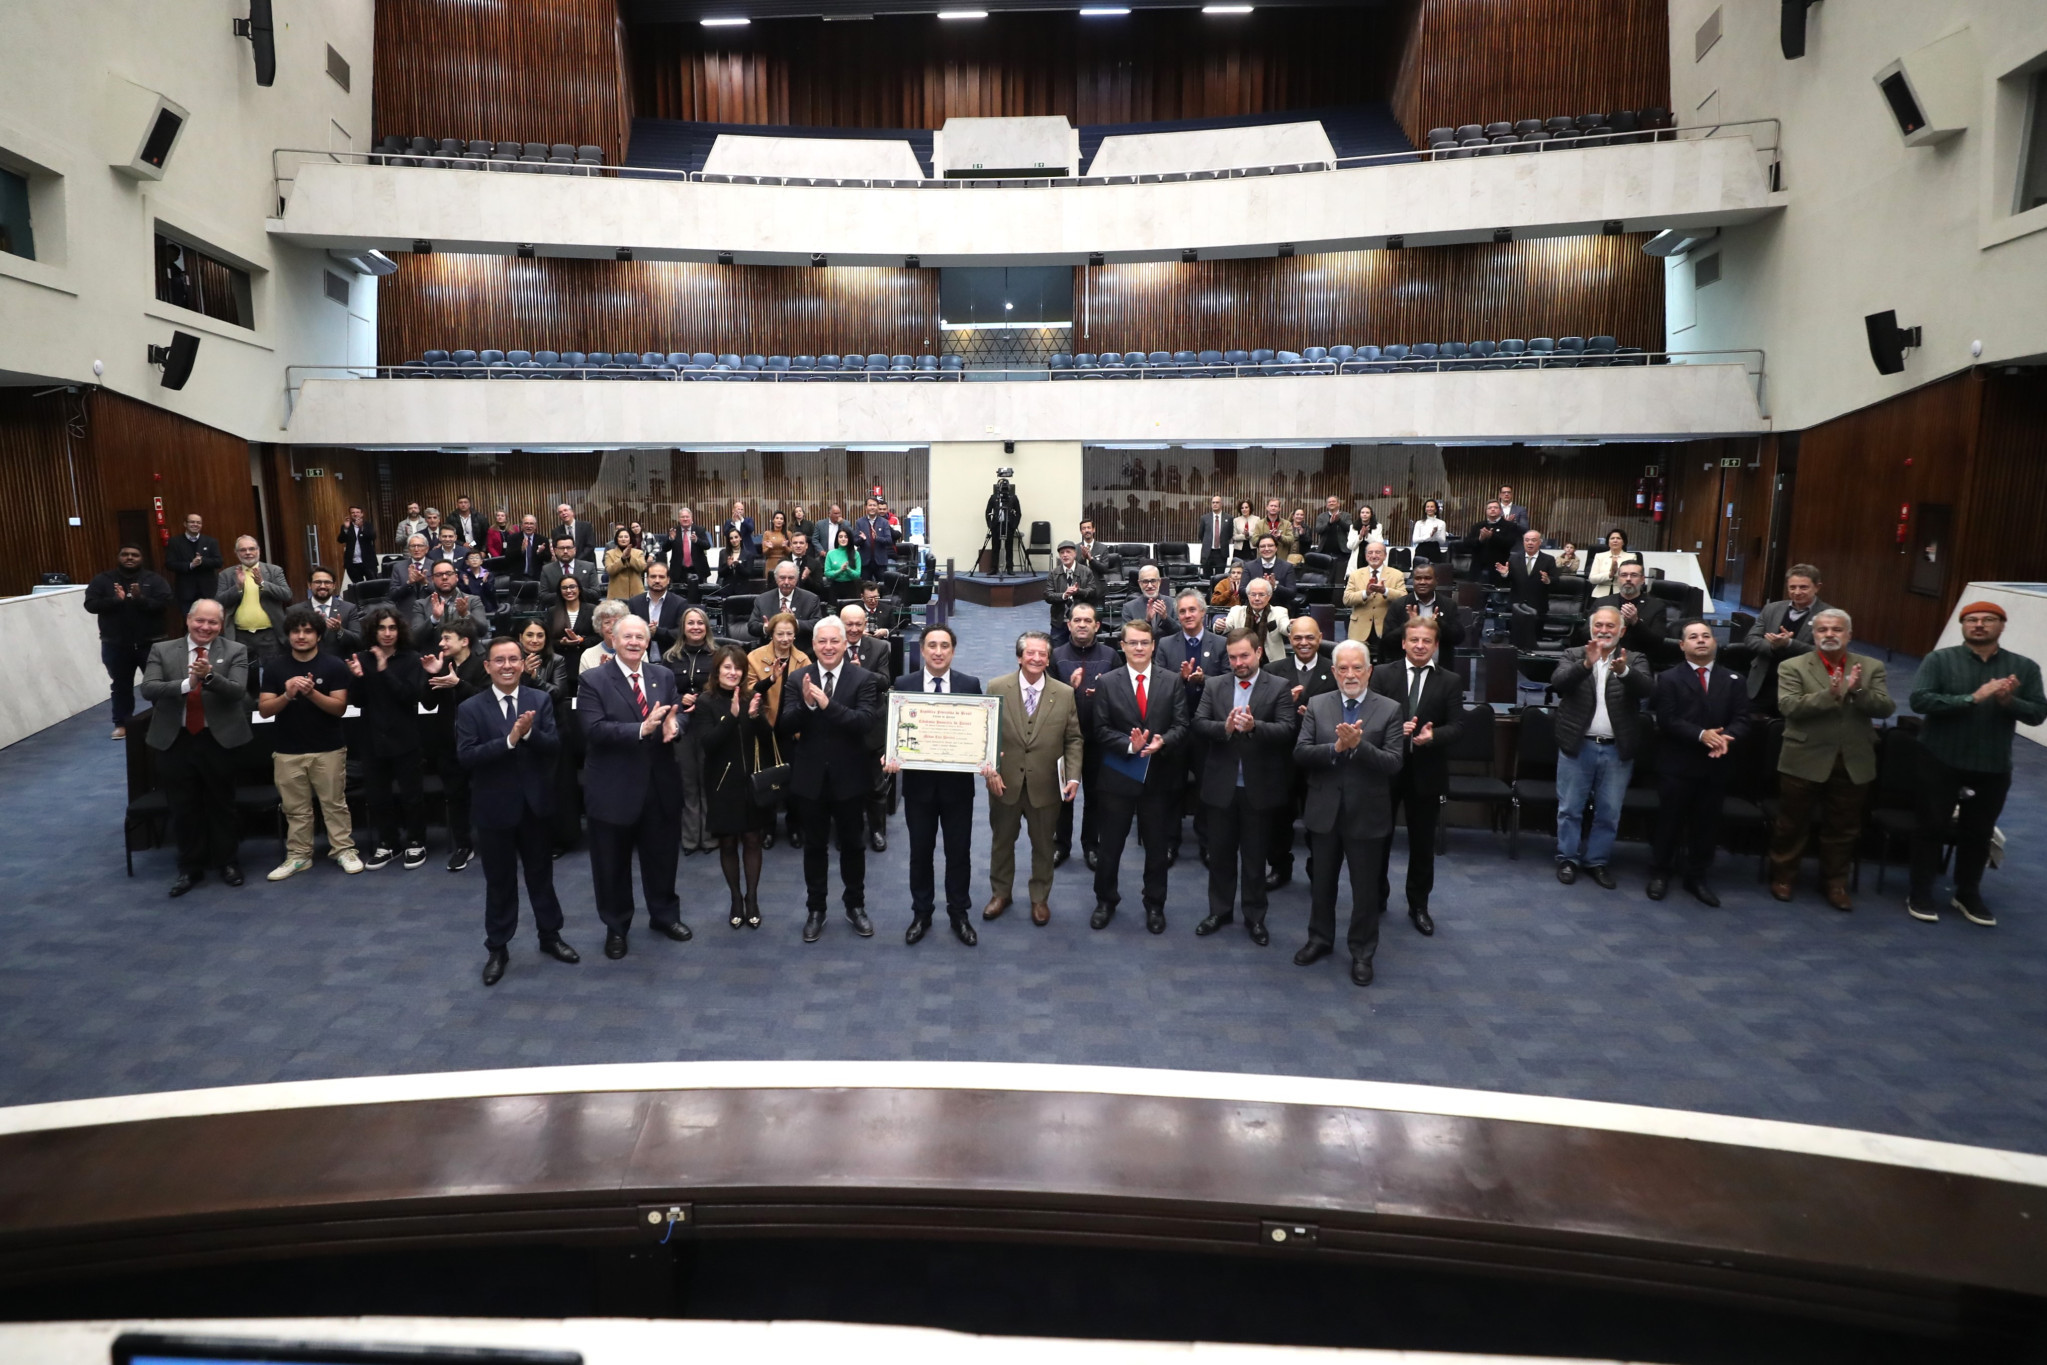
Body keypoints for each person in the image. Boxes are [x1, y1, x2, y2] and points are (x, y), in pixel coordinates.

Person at [1906, 601, 2047, 925]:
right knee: (1930, 827)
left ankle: (1967, 893)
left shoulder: (2023, 667)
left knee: (1978, 833)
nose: (1979, 624)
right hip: (1941, 758)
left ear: (2002, 625)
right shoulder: (1940, 660)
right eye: (1971, 620)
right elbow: (1921, 699)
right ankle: (1920, 891)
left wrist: (2008, 701)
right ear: (1963, 625)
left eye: (1988, 620)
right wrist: (1972, 698)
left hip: (1993, 764)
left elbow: (2038, 713)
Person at [459, 635, 578, 986]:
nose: (508, 666)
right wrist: (509, 740)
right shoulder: (470, 708)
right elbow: (467, 757)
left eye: (514, 659)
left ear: (523, 664)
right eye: (500, 660)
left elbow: (554, 746)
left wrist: (527, 736)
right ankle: (498, 947)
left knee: (541, 877)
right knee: (499, 882)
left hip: (535, 807)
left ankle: (550, 936)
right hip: (494, 809)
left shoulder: (539, 700)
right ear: (488, 666)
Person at [1293, 639, 1406, 986]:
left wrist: (1360, 748)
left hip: (1366, 814)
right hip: (1325, 811)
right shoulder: (1317, 704)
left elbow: (1394, 763)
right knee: (1322, 883)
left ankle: (1362, 951)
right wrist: (1335, 748)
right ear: (1334, 672)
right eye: (1343, 668)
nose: (1350, 674)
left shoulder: (1389, 709)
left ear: (1369, 671)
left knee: (1364, 890)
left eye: (1357, 667)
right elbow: (1301, 753)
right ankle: (1320, 939)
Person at [578, 615, 692, 958]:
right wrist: (641, 730)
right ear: (612, 639)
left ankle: (664, 915)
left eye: (640, 637)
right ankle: (616, 927)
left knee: (662, 859)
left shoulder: (663, 675)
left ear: (647, 642)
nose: (633, 642)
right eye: (626, 636)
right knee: (611, 865)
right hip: (613, 789)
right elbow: (593, 729)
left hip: (659, 786)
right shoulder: (592, 680)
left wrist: (676, 725)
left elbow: (678, 712)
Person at [1767, 608, 1893, 909]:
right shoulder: (1793, 666)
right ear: (1814, 634)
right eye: (1823, 630)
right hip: (1804, 756)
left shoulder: (1871, 666)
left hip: (1852, 759)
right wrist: (1831, 695)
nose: (1829, 635)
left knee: (1844, 827)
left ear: (1848, 634)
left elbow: (1885, 708)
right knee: (1791, 824)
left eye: (1836, 630)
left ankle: (1835, 883)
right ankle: (1783, 876)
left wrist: (1858, 690)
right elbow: (1788, 707)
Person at [778, 616, 886, 942]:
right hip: (810, 779)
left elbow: (864, 722)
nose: (827, 647)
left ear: (844, 644)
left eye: (834, 641)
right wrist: (807, 707)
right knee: (814, 847)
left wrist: (827, 705)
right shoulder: (798, 678)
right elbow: (783, 725)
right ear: (813, 645)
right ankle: (816, 909)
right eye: (821, 642)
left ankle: (855, 905)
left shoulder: (864, 678)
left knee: (853, 845)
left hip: (850, 779)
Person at [1191, 628, 1300, 945]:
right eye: (1233, 657)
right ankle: (1220, 911)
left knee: (1254, 859)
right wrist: (1223, 728)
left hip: (1259, 788)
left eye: (1244, 656)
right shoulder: (1214, 685)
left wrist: (1255, 728)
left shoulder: (1278, 687)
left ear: (1258, 653)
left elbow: (1287, 730)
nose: (1238, 662)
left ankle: (1255, 917)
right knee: (1220, 855)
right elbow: (1198, 723)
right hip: (1221, 786)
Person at [140, 599, 252, 896]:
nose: (206, 627)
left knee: (222, 804)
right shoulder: (162, 650)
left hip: (219, 740)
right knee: (183, 807)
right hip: (175, 740)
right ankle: (190, 867)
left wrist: (210, 678)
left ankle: (227, 862)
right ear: (188, 620)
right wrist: (188, 684)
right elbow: (148, 688)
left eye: (213, 622)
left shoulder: (235, 651)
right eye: (200, 621)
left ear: (222, 623)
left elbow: (238, 692)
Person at [1088, 618, 1188, 933]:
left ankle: (1155, 904)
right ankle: (1106, 900)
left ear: (1154, 645)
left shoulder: (1172, 681)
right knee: (1110, 846)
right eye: (1133, 643)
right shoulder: (1107, 682)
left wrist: (1163, 741)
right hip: (1118, 778)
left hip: (1158, 779)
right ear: (1123, 645)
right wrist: (1127, 746)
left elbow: (1182, 726)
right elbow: (1100, 730)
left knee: (1157, 848)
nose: (1139, 648)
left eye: (1145, 642)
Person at [980, 631, 1083, 928]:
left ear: (1048, 659)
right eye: (1031, 653)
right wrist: (990, 770)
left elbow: (1074, 739)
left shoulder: (1064, 693)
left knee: (1043, 846)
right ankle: (1001, 893)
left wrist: (1073, 776)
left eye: (1042, 654)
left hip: (1047, 786)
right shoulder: (996, 687)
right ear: (1019, 657)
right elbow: (985, 735)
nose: (1037, 658)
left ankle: (1040, 898)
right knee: (1002, 843)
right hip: (1004, 783)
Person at [888, 626, 982, 946]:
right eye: (932, 646)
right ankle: (922, 912)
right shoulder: (904, 685)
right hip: (919, 789)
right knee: (920, 853)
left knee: (959, 853)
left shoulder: (970, 685)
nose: (938, 651)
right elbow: (895, 732)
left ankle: (959, 913)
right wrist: (892, 755)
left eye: (945, 646)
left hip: (958, 789)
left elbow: (979, 731)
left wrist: (983, 755)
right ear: (923, 651)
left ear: (953, 651)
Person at [1647, 620, 1752, 907]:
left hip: (1715, 764)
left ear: (1715, 643)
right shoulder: (1668, 679)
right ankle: (1660, 872)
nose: (1701, 641)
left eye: (1706, 636)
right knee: (1669, 822)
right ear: (1683, 645)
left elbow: (1743, 719)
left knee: (1706, 825)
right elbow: (1666, 720)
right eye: (1693, 637)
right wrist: (1701, 735)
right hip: (1677, 764)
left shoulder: (1734, 680)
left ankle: (1697, 876)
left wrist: (1726, 739)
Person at [1368, 616, 1462, 933]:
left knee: (1422, 845)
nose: (1420, 646)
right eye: (1414, 640)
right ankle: (1375, 897)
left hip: (1427, 771)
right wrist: (1395, 730)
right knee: (1378, 839)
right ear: (1404, 643)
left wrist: (1433, 737)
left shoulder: (1449, 680)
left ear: (1435, 646)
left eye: (1426, 641)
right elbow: (1368, 720)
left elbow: (1458, 727)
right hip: (1386, 770)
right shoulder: (1381, 674)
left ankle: (1418, 905)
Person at [1551, 606, 1653, 889]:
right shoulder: (1574, 654)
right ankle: (1567, 859)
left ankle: (1597, 861)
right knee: (1570, 808)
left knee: (1608, 812)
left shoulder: (1634, 658)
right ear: (1591, 628)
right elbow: (1558, 683)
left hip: (1616, 749)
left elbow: (1647, 690)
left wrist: (1625, 672)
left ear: (1622, 631)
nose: (1604, 631)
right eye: (1599, 626)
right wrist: (1586, 664)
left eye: (1611, 626)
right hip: (1577, 746)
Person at [255, 607, 360, 882]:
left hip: (328, 748)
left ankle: (343, 850)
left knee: (334, 804)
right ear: (288, 635)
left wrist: (311, 692)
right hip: (287, 749)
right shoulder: (276, 667)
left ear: (318, 635)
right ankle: (299, 856)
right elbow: (265, 710)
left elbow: (339, 708)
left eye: (307, 631)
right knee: (295, 808)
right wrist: (288, 695)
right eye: (295, 631)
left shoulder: (334, 665)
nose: (301, 636)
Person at [348, 605, 429, 870]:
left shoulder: (411, 658)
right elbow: (357, 701)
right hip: (372, 737)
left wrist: (384, 669)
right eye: (382, 628)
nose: (387, 633)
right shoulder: (362, 657)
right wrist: (358, 678)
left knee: (411, 795)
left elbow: (409, 696)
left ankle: (416, 841)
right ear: (374, 630)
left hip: (405, 736)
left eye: (392, 627)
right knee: (378, 795)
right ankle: (388, 843)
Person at [696, 642, 770, 929]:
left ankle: (752, 898)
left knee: (752, 840)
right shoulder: (706, 701)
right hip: (721, 783)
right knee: (727, 843)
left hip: (750, 782)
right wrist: (732, 716)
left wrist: (753, 716)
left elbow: (767, 738)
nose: (733, 672)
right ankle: (735, 898)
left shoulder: (752, 696)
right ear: (717, 670)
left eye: (737, 668)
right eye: (727, 667)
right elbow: (708, 744)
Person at [1263, 615, 1334, 888]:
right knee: (1279, 818)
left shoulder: (1334, 669)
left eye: (1310, 637)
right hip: (1282, 757)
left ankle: (1318, 868)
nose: (1303, 643)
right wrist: (1284, 705)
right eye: (1297, 638)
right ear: (1289, 640)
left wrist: (1314, 719)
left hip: (1318, 759)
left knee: (1317, 819)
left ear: (1319, 638)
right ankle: (1280, 866)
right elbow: (1262, 713)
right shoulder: (1272, 669)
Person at [1158, 588, 1227, 866]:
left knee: (1206, 788)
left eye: (1192, 610)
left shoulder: (1220, 644)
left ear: (1203, 612)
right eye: (1182, 611)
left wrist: (1203, 680)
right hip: (1175, 727)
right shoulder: (1165, 645)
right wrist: (1180, 679)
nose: (1187, 615)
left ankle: (1207, 842)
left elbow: (1227, 683)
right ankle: (1169, 842)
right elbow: (1159, 684)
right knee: (1171, 787)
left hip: (1207, 729)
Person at [1053, 601, 1117, 872]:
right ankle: (1061, 844)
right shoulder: (1055, 656)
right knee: (1062, 795)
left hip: (1098, 737)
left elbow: (1120, 694)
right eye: (1077, 620)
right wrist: (1070, 688)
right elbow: (1048, 699)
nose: (1081, 625)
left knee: (1095, 795)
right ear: (1068, 624)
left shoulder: (1111, 655)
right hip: (1063, 739)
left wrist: (1103, 693)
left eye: (1087, 621)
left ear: (1097, 626)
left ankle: (1091, 845)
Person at [85, 543, 171, 740]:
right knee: (121, 686)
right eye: (125, 554)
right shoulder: (103, 580)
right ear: (119, 557)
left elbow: (165, 604)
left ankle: (165, 720)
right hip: (116, 644)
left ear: (141, 558)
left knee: (157, 684)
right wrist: (115, 601)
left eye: (134, 555)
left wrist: (140, 599)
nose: (130, 558)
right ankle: (122, 724)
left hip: (150, 643)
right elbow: (90, 605)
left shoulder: (153, 580)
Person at [420, 619, 487, 871]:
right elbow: (427, 704)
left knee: (486, 793)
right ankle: (463, 846)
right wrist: (433, 673)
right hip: (449, 744)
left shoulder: (483, 665)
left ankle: (493, 840)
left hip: (480, 743)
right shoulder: (440, 665)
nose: (441, 643)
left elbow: (488, 699)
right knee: (456, 798)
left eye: (447, 638)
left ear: (464, 641)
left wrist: (458, 684)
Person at [662, 605, 720, 858]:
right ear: (682, 628)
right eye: (690, 623)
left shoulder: (718, 655)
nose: (695, 627)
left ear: (707, 626)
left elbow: (726, 688)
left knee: (708, 780)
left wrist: (704, 698)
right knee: (687, 783)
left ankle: (708, 835)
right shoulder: (669, 658)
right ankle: (689, 837)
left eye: (700, 623)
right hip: (682, 725)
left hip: (710, 724)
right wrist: (679, 698)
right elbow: (664, 692)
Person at [1743, 564, 1829, 711]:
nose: (1797, 592)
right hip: (1763, 682)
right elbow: (1750, 639)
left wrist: (1789, 644)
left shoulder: (1830, 615)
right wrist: (1772, 646)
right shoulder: (1772, 609)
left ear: (1817, 587)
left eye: (1803, 587)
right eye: (1792, 587)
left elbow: (1827, 653)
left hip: (1802, 687)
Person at [217, 535, 291, 657]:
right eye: (243, 550)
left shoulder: (274, 571)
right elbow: (220, 602)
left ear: (258, 550)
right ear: (236, 553)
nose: (248, 553)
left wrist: (263, 583)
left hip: (270, 635)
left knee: (271, 673)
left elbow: (286, 595)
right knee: (243, 673)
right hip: (239, 636)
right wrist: (238, 587)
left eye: (252, 549)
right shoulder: (226, 574)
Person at [1382, 562, 1464, 661]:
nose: (1422, 582)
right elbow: (1386, 642)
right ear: (1413, 581)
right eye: (1418, 578)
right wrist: (1407, 625)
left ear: (1436, 581)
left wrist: (1439, 624)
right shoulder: (1398, 605)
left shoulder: (1449, 605)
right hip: (1405, 671)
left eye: (1427, 578)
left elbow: (1459, 638)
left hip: (1439, 670)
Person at [1590, 561, 1669, 654]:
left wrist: (1636, 622)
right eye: (1624, 575)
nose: (1628, 579)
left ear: (1643, 579)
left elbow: (1658, 642)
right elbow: (1584, 634)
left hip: (1639, 659)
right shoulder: (1602, 602)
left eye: (1634, 575)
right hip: (1603, 655)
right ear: (1618, 579)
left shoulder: (1656, 606)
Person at [1342, 541, 1405, 650]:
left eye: (1378, 552)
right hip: (1359, 630)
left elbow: (1404, 598)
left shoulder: (1397, 575)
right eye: (1370, 553)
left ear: (1385, 555)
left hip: (1386, 628)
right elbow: (1346, 599)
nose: (1374, 556)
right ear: (1366, 556)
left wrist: (1385, 591)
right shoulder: (1355, 575)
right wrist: (1366, 593)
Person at [409, 560, 490, 639]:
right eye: (439, 574)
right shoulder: (421, 605)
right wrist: (434, 618)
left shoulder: (473, 600)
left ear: (456, 577)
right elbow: (415, 637)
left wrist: (465, 614)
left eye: (449, 573)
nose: (444, 577)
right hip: (435, 652)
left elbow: (482, 631)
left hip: (468, 651)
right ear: (432, 579)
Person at [1044, 540, 1102, 647]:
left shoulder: (1086, 571)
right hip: (1060, 621)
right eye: (1062, 553)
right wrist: (1064, 595)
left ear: (1075, 554)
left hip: (1081, 622)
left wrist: (1078, 592)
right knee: (1057, 653)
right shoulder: (1054, 573)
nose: (1065, 555)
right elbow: (1047, 595)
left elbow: (1093, 592)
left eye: (1068, 552)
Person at [750, 560, 823, 642]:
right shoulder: (762, 599)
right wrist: (766, 628)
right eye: (782, 578)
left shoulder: (811, 599)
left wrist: (795, 623)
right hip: (770, 649)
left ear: (796, 579)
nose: (786, 582)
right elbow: (752, 626)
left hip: (800, 649)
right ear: (776, 578)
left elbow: (818, 625)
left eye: (791, 578)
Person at [1224, 575, 1290, 663]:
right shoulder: (1236, 611)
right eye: (1253, 595)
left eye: (1261, 595)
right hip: (1243, 662)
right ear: (1248, 596)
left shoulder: (1279, 612)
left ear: (1269, 596)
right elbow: (1226, 626)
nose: (1257, 598)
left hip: (1272, 664)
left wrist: (1291, 627)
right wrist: (1219, 626)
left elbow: (1285, 627)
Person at [628, 561, 686, 656]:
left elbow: (682, 633)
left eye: (661, 577)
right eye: (653, 576)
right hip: (640, 657)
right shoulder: (634, 603)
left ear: (668, 580)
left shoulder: (680, 603)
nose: (657, 580)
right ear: (647, 579)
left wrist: (657, 631)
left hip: (670, 657)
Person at [168, 513, 223, 609]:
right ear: (185, 524)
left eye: (198, 523)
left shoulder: (211, 541)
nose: (195, 524)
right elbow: (170, 564)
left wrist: (203, 561)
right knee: (189, 620)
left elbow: (219, 562)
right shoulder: (175, 542)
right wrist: (190, 565)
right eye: (192, 522)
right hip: (186, 591)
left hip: (207, 590)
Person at [303, 566, 362, 655]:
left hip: (340, 664)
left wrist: (340, 630)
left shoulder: (349, 608)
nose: (322, 586)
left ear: (334, 585)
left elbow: (358, 641)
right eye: (318, 582)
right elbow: (288, 643)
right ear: (309, 585)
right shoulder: (295, 611)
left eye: (327, 582)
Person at [545, 573, 597, 670]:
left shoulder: (592, 609)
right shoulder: (553, 611)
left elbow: (599, 638)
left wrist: (580, 640)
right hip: (561, 663)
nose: (568, 591)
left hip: (586, 661)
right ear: (560, 591)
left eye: (572, 587)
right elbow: (547, 640)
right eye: (564, 588)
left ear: (579, 589)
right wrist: (561, 642)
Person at [1507, 528, 1557, 622]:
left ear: (1540, 542)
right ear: (1523, 542)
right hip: (1516, 605)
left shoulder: (1549, 559)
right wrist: (1505, 574)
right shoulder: (1513, 558)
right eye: (1527, 540)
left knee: (1536, 635)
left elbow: (1556, 581)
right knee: (1515, 635)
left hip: (1538, 606)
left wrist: (1548, 580)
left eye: (1533, 540)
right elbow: (1507, 581)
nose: (1530, 543)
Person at [540, 536, 602, 610]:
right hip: (557, 611)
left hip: (585, 611)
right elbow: (543, 596)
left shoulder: (589, 567)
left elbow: (596, 594)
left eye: (569, 548)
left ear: (574, 549)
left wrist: (577, 590)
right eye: (562, 548)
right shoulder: (547, 569)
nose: (565, 551)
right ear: (555, 550)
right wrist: (563, 593)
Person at [1466, 501, 1516, 584]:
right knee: (1478, 596)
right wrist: (1480, 539)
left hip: (1498, 569)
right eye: (1489, 508)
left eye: (1495, 507)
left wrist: (1492, 537)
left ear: (1500, 510)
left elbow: (1510, 543)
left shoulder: (1509, 526)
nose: (1492, 509)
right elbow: (1467, 544)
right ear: (1486, 511)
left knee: (1496, 596)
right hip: (1478, 569)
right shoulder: (1478, 526)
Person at [1243, 534, 1298, 609]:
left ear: (1276, 548)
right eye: (1262, 546)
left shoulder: (1287, 567)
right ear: (1258, 549)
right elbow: (1241, 591)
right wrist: (1258, 589)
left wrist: (1275, 587)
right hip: (1253, 610)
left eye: (1270, 546)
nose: (1266, 549)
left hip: (1279, 609)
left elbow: (1292, 593)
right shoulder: (1249, 566)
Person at [578, 598, 631, 676]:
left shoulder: (637, 651)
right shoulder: (588, 655)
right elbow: (584, 687)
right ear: (599, 626)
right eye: (607, 622)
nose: (612, 627)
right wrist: (601, 673)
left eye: (617, 622)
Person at [665, 506, 711, 588]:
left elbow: (707, 546)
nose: (685, 519)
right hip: (679, 571)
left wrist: (697, 540)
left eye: (687, 517)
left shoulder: (699, 530)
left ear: (691, 518)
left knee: (698, 597)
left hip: (697, 570)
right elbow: (665, 548)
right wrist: (670, 539)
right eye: (682, 517)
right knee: (679, 598)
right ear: (679, 519)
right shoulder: (674, 531)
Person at [1121, 563, 1173, 632]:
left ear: (1159, 582)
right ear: (1139, 583)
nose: (1150, 585)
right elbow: (1127, 636)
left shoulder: (1173, 603)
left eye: (1153, 581)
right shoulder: (1128, 608)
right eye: (1145, 581)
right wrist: (1147, 621)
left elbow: (1180, 633)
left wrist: (1165, 618)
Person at [854, 495, 897, 577]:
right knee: (865, 587)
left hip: (880, 562)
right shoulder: (859, 522)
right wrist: (862, 539)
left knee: (882, 587)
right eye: (870, 505)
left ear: (877, 507)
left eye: (874, 505)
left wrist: (877, 538)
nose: (872, 507)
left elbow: (889, 540)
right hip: (865, 562)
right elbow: (855, 541)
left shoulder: (884, 522)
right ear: (866, 507)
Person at [335, 507, 378, 586]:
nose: (355, 514)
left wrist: (361, 527)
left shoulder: (367, 525)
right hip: (353, 563)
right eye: (353, 512)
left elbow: (372, 537)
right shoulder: (346, 526)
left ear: (362, 514)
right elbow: (340, 540)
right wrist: (346, 529)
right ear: (350, 514)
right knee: (358, 586)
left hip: (368, 562)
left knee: (373, 584)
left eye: (357, 512)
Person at [389, 534, 435, 606]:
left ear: (427, 549)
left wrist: (426, 583)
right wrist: (408, 583)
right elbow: (392, 596)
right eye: (413, 546)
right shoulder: (398, 567)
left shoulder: (435, 566)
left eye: (420, 546)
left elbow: (441, 593)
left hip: (430, 609)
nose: (416, 549)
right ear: (408, 549)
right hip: (407, 611)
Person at [603, 526, 647, 600]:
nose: (623, 539)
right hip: (616, 595)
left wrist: (630, 557)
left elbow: (642, 568)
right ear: (617, 539)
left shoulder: (638, 552)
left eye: (626, 537)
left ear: (630, 538)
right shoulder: (610, 553)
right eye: (620, 537)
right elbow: (610, 571)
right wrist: (622, 559)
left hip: (636, 593)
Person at [1342, 503, 1384, 576]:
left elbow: (1379, 545)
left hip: (1372, 558)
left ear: (1371, 514)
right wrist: (1360, 536)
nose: (1364, 514)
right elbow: (1350, 546)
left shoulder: (1377, 526)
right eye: (1362, 512)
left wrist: (1368, 535)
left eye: (1367, 512)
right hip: (1358, 559)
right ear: (1360, 514)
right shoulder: (1353, 527)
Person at [502, 515, 546, 581]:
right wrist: (521, 550)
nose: (529, 526)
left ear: (535, 526)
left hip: (537, 577)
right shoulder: (513, 538)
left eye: (531, 524)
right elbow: (508, 557)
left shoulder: (542, 540)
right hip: (518, 577)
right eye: (526, 523)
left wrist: (540, 553)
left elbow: (548, 557)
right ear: (522, 526)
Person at [1196, 494, 1232, 575]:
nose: (1215, 504)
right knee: (1207, 578)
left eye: (1217, 502)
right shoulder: (1204, 518)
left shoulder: (1229, 518)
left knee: (1219, 578)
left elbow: (1229, 534)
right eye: (1213, 502)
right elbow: (1200, 535)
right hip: (1208, 552)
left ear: (1221, 504)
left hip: (1221, 553)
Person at [1409, 498, 1449, 563]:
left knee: (1434, 571)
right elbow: (1415, 540)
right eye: (1427, 507)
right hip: (1421, 549)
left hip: (1435, 549)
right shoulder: (1419, 523)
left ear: (1436, 509)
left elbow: (1442, 541)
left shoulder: (1441, 523)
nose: (1429, 509)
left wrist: (1435, 534)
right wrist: (1429, 536)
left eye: (1432, 507)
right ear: (1425, 509)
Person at [760, 510, 792, 575]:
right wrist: (769, 548)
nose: (779, 520)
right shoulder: (767, 533)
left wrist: (785, 547)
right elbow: (764, 552)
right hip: (770, 562)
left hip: (784, 562)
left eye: (781, 519)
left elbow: (791, 552)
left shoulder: (788, 534)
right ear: (773, 520)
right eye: (777, 518)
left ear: (784, 522)